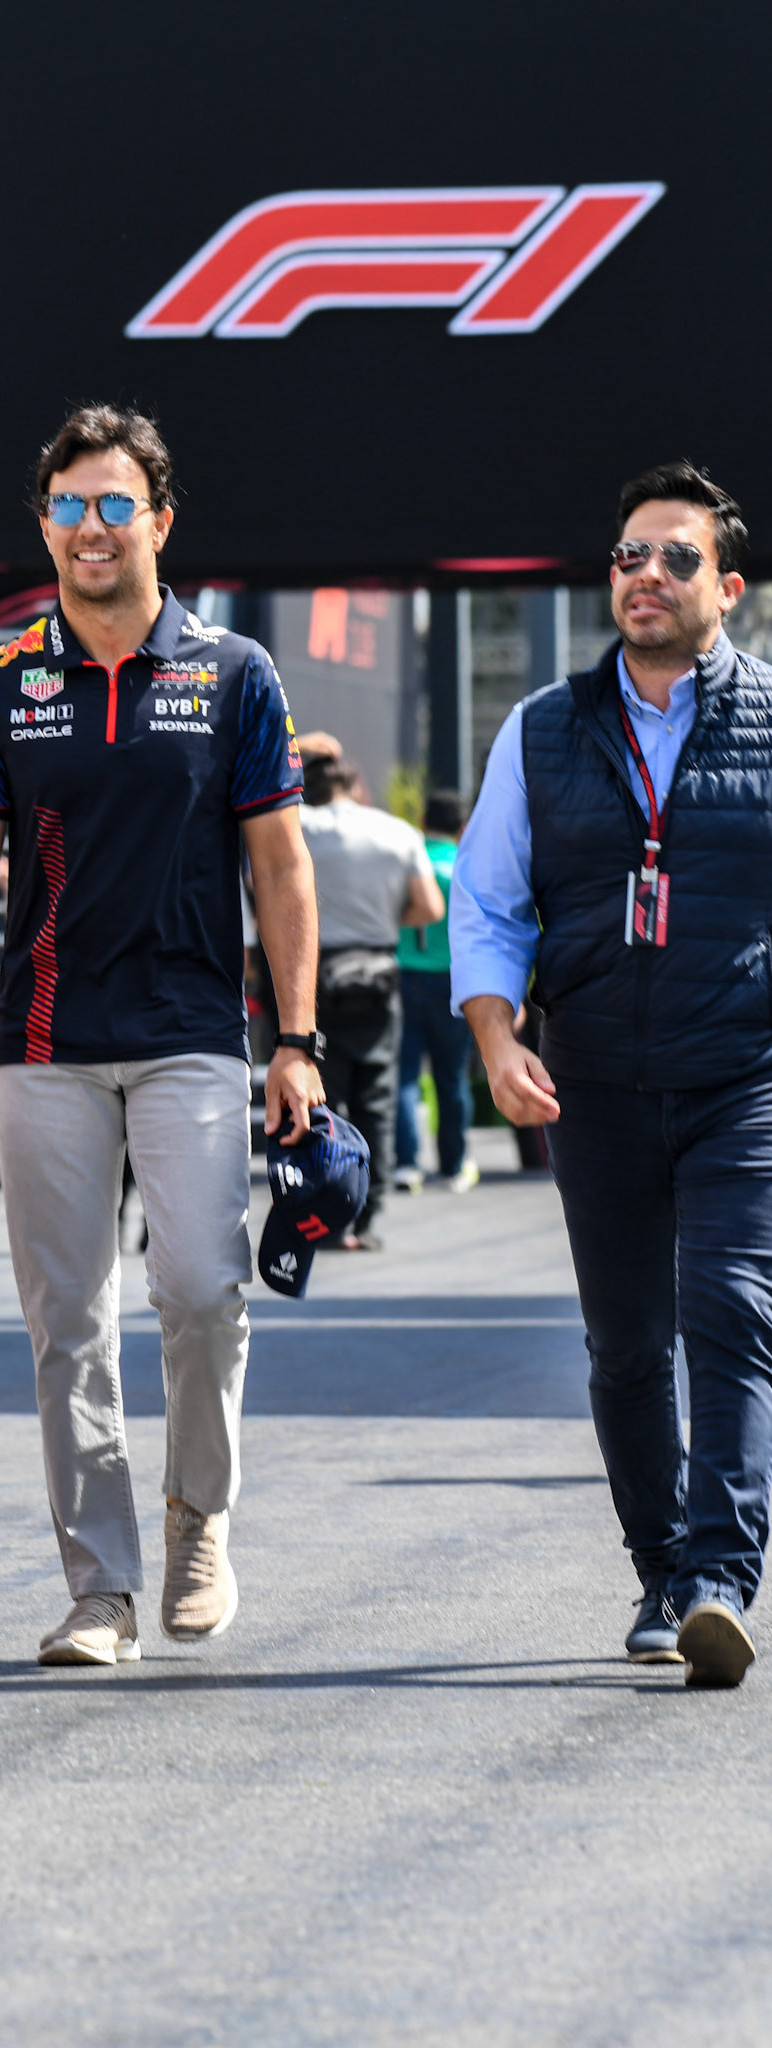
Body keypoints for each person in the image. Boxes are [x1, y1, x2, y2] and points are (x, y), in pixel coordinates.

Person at [0, 404, 322, 1667]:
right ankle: (100, 1589)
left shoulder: (233, 672)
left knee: (200, 1285)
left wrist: (297, 1038)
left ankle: (199, 1517)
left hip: (192, 1032)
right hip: (44, 1042)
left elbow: (282, 864)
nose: (89, 527)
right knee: (70, 1323)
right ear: (44, 524)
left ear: (160, 520)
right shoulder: (0, 680)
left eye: (113, 504)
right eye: (68, 505)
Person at [452, 460, 772, 1690]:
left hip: (743, 1073)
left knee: (732, 1311)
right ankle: (662, 1569)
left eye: (678, 556)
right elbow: (487, 901)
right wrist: (497, 1040)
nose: (647, 574)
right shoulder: (542, 727)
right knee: (628, 1343)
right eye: (631, 554)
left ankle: (720, 1576)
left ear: (726, 587)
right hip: (590, 1079)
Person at [298, 737, 443, 1247]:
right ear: (356, 786)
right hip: (379, 973)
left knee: (320, 1101)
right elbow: (430, 908)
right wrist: (383, 920)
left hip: (314, 976)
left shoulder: (297, 827)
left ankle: (325, 1212)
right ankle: (366, 1214)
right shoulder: (397, 833)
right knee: (375, 1101)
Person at [394, 789, 478, 1193]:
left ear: (423, 822)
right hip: (452, 981)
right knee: (451, 1076)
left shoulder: (407, 861)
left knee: (404, 1075)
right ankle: (454, 1165)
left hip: (403, 976)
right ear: (463, 828)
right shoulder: (466, 866)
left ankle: (406, 1164)